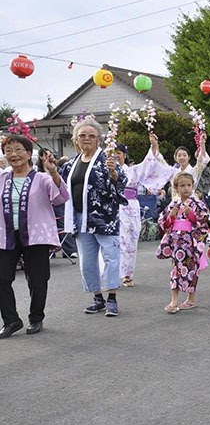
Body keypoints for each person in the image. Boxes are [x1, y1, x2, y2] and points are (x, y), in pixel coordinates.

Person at [0, 136, 69, 338]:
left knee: (38, 279)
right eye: (9, 150)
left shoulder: (42, 178)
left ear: (29, 154)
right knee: (1, 278)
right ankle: (11, 321)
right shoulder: (3, 178)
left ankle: (36, 317)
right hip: (6, 236)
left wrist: (54, 171)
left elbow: (61, 197)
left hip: (36, 235)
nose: (14, 154)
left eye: (19, 149)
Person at [60, 118, 127, 317]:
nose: (87, 139)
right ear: (76, 139)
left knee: (110, 257)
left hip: (104, 218)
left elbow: (122, 182)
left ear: (99, 140)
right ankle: (97, 297)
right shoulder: (71, 164)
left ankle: (112, 298)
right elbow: (62, 188)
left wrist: (113, 172)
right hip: (80, 217)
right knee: (87, 260)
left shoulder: (106, 160)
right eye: (83, 135)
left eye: (91, 136)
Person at [115, 136, 175, 287]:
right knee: (116, 241)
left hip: (130, 206)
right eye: (113, 153)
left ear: (124, 154)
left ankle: (127, 274)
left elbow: (149, 163)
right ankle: (112, 273)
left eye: (118, 153)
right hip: (114, 207)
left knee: (131, 241)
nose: (116, 156)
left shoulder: (133, 171)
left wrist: (153, 146)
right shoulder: (104, 171)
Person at [156, 172, 210, 313]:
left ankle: (191, 298)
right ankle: (174, 299)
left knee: (191, 269)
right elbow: (164, 222)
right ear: (176, 188)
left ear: (193, 186)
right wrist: (171, 217)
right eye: (182, 186)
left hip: (190, 242)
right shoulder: (173, 204)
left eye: (188, 185)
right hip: (176, 242)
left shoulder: (197, 204)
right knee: (175, 269)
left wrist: (191, 215)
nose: (186, 188)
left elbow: (204, 222)